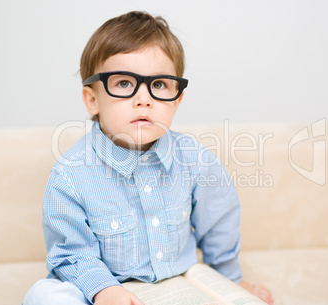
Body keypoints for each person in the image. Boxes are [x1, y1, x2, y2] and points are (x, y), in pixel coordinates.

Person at [23, 11, 274, 305]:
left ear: (177, 99)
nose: (144, 98)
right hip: (105, 286)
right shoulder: (70, 174)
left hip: (177, 280)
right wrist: (105, 291)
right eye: (124, 83)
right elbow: (71, 252)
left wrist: (230, 280)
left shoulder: (195, 160)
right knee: (43, 296)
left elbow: (219, 222)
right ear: (92, 99)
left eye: (159, 85)